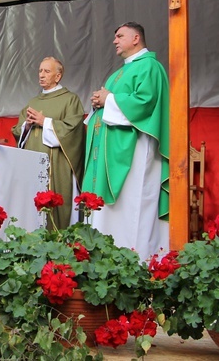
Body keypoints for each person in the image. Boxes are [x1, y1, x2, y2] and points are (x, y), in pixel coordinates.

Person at [83, 21, 170, 262]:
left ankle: (138, 261)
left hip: (135, 150)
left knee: (134, 206)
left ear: (136, 39)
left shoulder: (150, 67)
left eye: (120, 35)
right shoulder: (118, 73)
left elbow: (144, 103)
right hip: (111, 153)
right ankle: (106, 261)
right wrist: (99, 102)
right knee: (111, 214)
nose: (114, 41)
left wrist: (109, 99)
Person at [12, 57, 85, 230]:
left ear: (58, 76)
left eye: (47, 71)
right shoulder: (33, 102)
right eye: (40, 71)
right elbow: (17, 131)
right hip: (33, 163)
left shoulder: (70, 100)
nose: (41, 75)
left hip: (58, 165)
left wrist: (45, 121)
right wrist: (27, 125)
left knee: (56, 208)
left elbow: (73, 130)